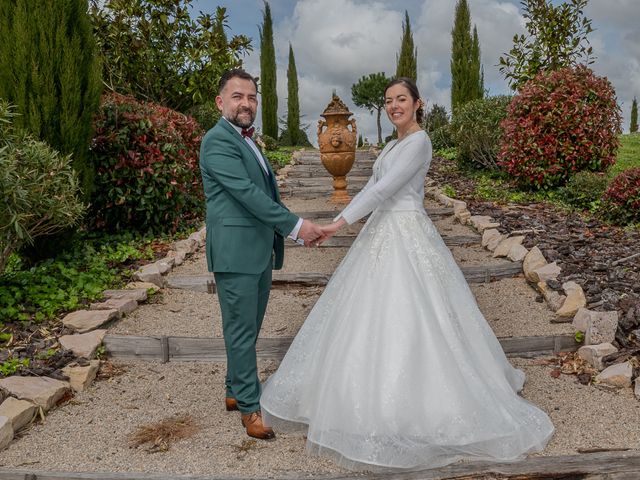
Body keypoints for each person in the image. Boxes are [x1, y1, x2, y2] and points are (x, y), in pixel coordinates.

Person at [259, 77, 554, 469]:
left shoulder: (419, 142)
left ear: (418, 103)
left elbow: (385, 191)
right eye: (388, 101)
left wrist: (337, 223)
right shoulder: (394, 145)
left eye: (401, 99)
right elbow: (377, 187)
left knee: (418, 310)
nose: (394, 105)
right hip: (382, 232)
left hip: (407, 229)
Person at [199, 69, 324, 440]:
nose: (247, 103)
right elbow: (249, 196)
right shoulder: (217, 141)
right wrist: (296, 227)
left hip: (256, 252)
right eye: (238, 96)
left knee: (247, 328)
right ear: (220, 102)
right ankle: (251, 411)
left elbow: (265, 191)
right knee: (240, 330)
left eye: (252, 97)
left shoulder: (246, 139)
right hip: (235, 253)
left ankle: (234, 391)